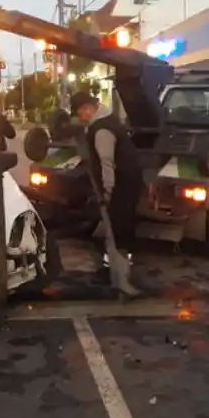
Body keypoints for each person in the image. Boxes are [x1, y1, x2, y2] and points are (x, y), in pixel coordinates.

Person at [70, 91, 144, 298]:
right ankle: (117, 274)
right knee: (116, 230)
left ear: (88, 108)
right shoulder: (109, 121)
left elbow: (107, 162)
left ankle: (122, 279)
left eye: (80, 113)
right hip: (129, 181)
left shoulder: (102, 129)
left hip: (122, 186)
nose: (81, 117)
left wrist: (108, 192)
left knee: (118, 230)